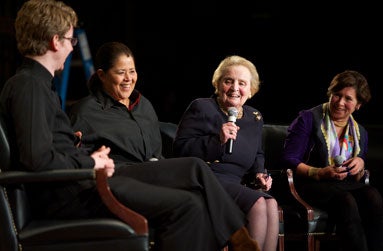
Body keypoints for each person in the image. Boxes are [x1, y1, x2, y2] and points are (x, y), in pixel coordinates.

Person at [0, 1, 259, 251]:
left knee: (193, 168)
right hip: (74, 191)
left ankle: (241, 240)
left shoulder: (38, 85)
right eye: (70, 41)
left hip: (80, 181)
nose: (72, 49)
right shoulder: (29, 86)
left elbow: (44, 147)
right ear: (55, 41)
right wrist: (90, 163)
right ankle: (241, 241)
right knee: (188, 204)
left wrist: (79, 151)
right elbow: (36, 158)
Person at [68, 41, 261, 251]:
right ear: (102, 75)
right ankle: (241, 239)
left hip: (147, 174)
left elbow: (155, 155)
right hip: (119, 178)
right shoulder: (85, 111)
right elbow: (77, 159)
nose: (128, 79)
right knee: (195, 166)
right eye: (120, 72)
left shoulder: (144, 106)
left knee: (197, 201)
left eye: (132, 71)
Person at [172, 55, 279, 251]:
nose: (235, 88)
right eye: (228, 81)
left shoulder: (255, 117)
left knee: (270, 204)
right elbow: (180, 149)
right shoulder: (202, 107)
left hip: (235, 182)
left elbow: (257, 154)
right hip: (206, 178)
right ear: (218, 84)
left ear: (251, 89)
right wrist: (216, 141)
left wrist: (259, 174)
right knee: (258, 204)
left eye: (242, 83)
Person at [282, 70, 383, 251]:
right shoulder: (308, 119)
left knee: (373, 196)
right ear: (331, 93)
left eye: (348, 99)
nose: (340, 102)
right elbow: (289, 160)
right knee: (345, 200)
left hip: (343, 184)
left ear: (358, 105)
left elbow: (359, 161)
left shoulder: (360, 131)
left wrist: (360, 162)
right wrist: (320, 172)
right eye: (337, 95)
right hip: (310, 183)